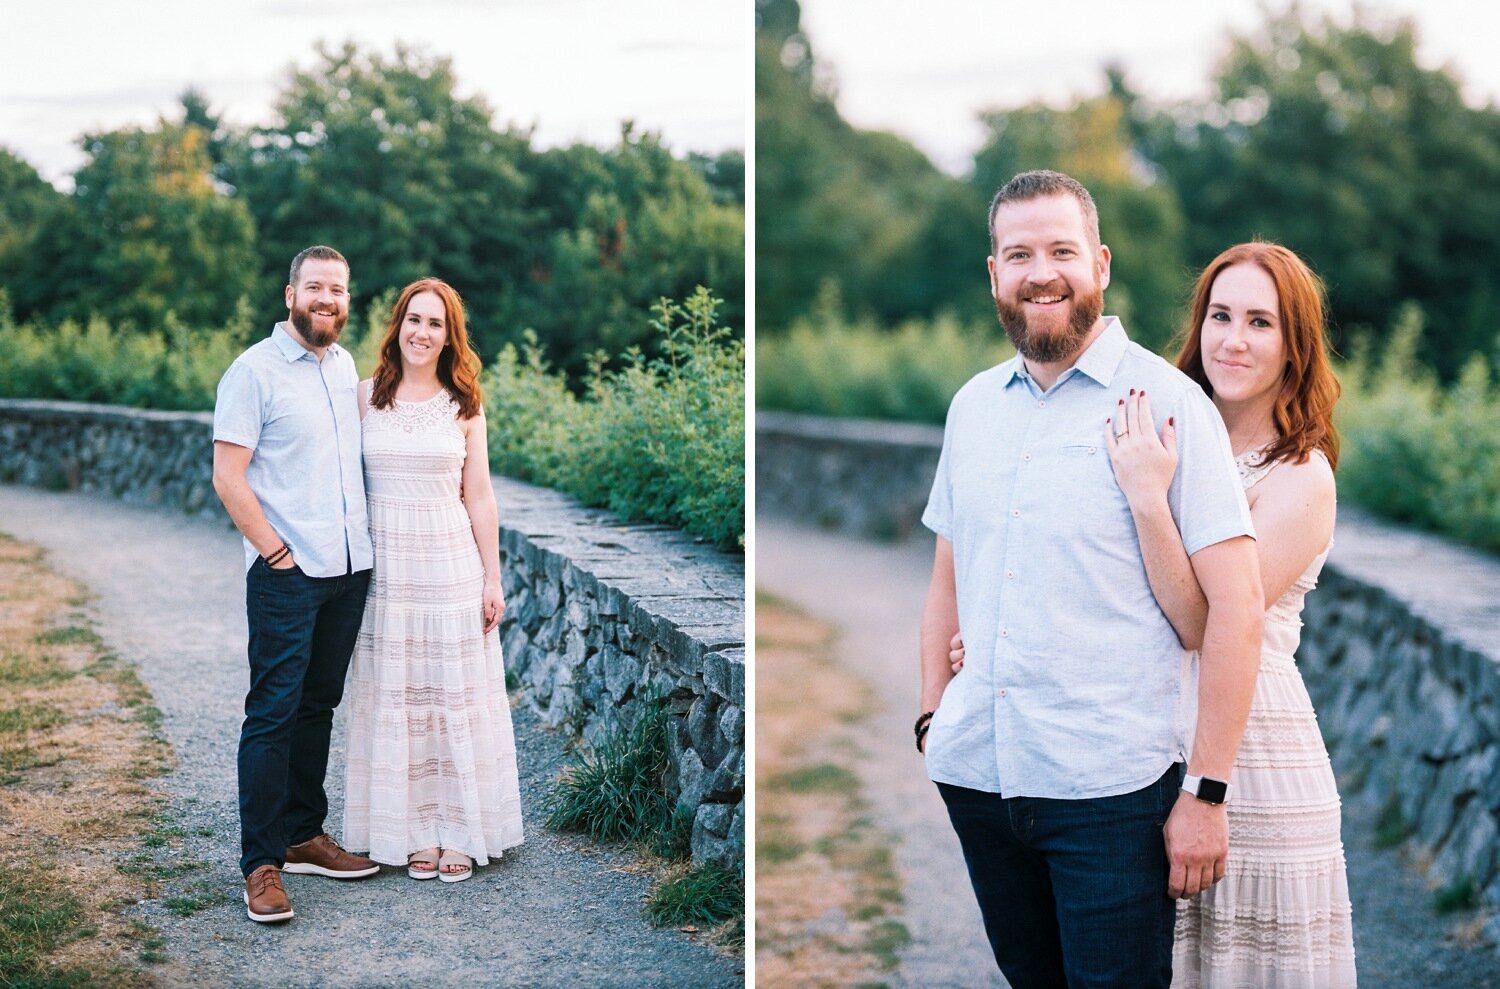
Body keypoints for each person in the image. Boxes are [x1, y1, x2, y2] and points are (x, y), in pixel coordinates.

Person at [917, 170, 1264, 987]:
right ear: (994, 274)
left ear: (1100, 264)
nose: (1042, 271)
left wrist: (1206, 794)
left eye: (1062, 250)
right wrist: (934, 720)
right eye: (1020, 253)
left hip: (1109, 797)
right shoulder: (972, 407)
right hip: (981, 782)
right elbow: (946, 583)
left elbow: (1237, 609)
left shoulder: (1172, 402)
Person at [1104, 242, 1355, 986]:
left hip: (1254, 754)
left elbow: (1202, 624)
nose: (1233, 339)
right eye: (1219, 315)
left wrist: (1150, 500)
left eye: (1260, 322)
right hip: (1150, 734)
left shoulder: (1299, 476)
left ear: (1295, 346)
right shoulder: (1166, 433)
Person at [212, 245, 381, 925]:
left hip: (349, 570)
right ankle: (261, 864)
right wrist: (276, 552)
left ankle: (304, 833)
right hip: (287, 573)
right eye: (315, 287)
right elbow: (229, 475)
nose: (327, 298)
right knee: (273, 712)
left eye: (337, 289)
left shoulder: (344, 368)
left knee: (318, 706)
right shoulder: (252, 372)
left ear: (347, 300)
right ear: (290, 295)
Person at [342, 277, 524, 883]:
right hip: (387, 574)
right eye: (414, 320)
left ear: (451, 337)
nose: (422, 333)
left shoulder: (465, 404)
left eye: (436, 324)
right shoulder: (363, 397)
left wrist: (491, 579)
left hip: (450, 570)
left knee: (452, 700)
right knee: (399, 695)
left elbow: (480, 494)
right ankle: (412, 830)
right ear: (397, 326)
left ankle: (458, 831)